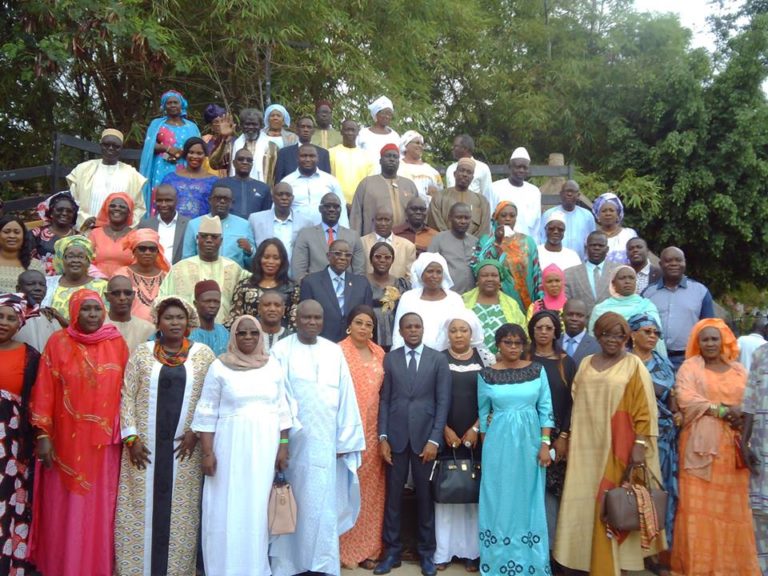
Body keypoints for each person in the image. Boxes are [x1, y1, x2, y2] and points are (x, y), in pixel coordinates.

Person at [114, 296, 217, 576]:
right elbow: (127, 395)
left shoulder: (203, 355)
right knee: (139, 511)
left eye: (179, 318)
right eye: (169, 317)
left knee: (180, 517)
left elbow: (209, 399)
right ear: (158, 321)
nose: (174, 322)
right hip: (143, 450)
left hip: (184, 450)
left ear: (188, 323)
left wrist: (195, 433)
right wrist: (131, 439)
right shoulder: (143, 353)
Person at [554, 312, 663, 575]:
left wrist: (639, 444)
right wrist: (566, 438)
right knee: (586, 501)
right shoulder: (587, 363)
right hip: (585, 447)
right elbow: (575, 401)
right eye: (606, 334)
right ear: (597, 336)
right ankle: (586, 560)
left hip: (619, 447)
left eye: (619, 335)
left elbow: (645, 408)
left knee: (615, 503)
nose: (612, 340)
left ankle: (616, 563)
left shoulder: (633, 364)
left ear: (627, 337)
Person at [30, 289, 129, 576]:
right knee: (65, 509)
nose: (92, 315)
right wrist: (42, 435)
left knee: (98, 509)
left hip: (104, 447)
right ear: (74, 311)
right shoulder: (58, 343)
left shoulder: (116, 343)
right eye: (86, 309)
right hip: (64, 444)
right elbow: (44, 390)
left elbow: (127, 393)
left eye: (97, 309)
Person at [270, 300, 366, 576]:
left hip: (327, 445)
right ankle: (289, 565)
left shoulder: (333, 352)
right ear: (296, 319)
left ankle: (322, 563)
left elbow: (346, 396)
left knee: (323, 506)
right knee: (293, 504)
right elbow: (279, 400)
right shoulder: (281, 351)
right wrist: (283, 443)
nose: (312, 323)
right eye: (306, 318)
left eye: (317, 318)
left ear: (323, 321)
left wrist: (345, 441)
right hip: (295, 447)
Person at [192, 313, 293, 576]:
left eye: (253, 333)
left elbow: (283, 410)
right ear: (233, 336)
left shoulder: (272, 366)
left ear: (261, 336)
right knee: (225, 508)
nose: (248, 337)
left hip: (264, 449)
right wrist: (207, 453)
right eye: (241, 333)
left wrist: (283, 447)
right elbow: (206, 413)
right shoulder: (219, 367)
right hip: (228, 449)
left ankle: (255, 569)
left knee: (257, 510)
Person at [671, 318, 760, 575]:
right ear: (697, 343)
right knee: (696, 509)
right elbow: (686, 398)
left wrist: (741, 413)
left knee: (734, 510)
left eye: (714, 338)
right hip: (698, 449)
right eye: (704, 339)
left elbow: (751, 398)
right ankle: (697, 567)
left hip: (734, 448)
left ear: (725, 341)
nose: (710, 343)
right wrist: (721, 410)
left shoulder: (738, 371)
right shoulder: (690, 367)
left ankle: (732, 567)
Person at [375, 312, 452, 576]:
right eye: (408, 326)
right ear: (401, 330)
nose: (413, 330)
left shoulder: (437, 359)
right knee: (393, 498)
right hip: (395, 437)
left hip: (425, 439)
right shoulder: (391, 358)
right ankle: (392, 551)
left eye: (417, 326)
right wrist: (382, 437)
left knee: (424, 497)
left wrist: (434, 438)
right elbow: (384, 400)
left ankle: (426, 553)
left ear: (423, 329)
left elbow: (443, 402)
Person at [477, 323, 554, 575]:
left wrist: (545, 444)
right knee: (498, 497)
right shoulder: (486, 374)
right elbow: (483, 412)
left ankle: (531, 562)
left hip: (530, 443)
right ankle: (498, 561)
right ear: (498, 344)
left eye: (518, 343)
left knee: (528, 498)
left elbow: (546, 408)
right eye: (507, 342)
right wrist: (486, 446)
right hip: (498, 444)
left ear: (524, 345)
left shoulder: (536, 370)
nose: (513, 347)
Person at [434, 309, 494, 572]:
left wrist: (476, 428)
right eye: (454, 330)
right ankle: (443, 552)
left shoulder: (486, 359)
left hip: (476, 435)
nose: (458, 335)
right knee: (446, 490)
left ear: (473, 333)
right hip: (444, 434)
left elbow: (493, 398)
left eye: (464, 330)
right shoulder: (438, 359)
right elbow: (431, 397)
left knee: (472, 492)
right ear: (447, 334)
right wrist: (444, 429)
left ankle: (472, 552)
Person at [628, 313, 679, 561]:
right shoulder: (623, 360)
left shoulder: (662, 364)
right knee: (631, 489)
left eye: (656, 333)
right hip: (628, 432)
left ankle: (656, 552)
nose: (652, 336)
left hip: (661, 436)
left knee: (658, 489)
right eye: (647, 331)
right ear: (632, 334)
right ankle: (630, 550)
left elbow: (665, 392)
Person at [339, 305, 387, 570]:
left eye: (369, 324)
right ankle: (342, 549)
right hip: (346, 432)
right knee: (344, 489)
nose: (364, 328)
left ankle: (369, 549)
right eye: (359, 323)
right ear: (349, 325)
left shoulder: (379, 352)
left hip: (373, 432)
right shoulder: (337, 352)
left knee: (370, 492)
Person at [527, 310, 576, 566]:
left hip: (556, 436)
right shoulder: (523, 359)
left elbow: (571, 402)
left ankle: (550, 554)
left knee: (550, 495)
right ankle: (527, 551)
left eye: (548, 328)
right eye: (539, 327)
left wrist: (564, 435)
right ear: (532, 331)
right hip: (524, 434)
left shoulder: (566, 362)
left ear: (556, 331)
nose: (543, 332)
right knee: (525, 493)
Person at [0, 293, 39, 576]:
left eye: (11, 318)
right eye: (0, 316)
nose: (3, 322)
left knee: (11, 505)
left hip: (14, 448)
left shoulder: (30, 356)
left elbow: (36, 403)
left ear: (20, 323)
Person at [160, 215, 251, 323]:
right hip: (186, 334)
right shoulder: (179, 269)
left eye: (214, 237)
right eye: (204, 236)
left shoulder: (234, 269)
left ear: (221, 241)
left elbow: (256, 284)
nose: (209, 240)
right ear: (197, 239)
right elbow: (163, 301)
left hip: (224, 333)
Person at [642, 246, 715, 370]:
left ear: (684, 263)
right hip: (654, 358)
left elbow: (709, 327)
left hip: (689, 359)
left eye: (678, 260)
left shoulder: (700, 291)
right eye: (668, 260)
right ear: (660, 264)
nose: (674, 264)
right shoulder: (648, 294)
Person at [68, 128, 147, 226]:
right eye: (106, 144)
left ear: (121, 148)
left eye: (116, 146)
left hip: (119, 234)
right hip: (86, 230)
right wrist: (84, 219)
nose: (110, 148)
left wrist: (124, 226)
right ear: (101, 146)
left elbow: (139, 208)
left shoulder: (132, 175)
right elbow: (71, 200)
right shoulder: (83, 170)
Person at [299, 239, 374, 342]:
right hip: (321, 342)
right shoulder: (310, 282)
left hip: (354, 344)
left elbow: (367, 317)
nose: (343, 258)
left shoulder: (362, 283)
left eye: (347, 255)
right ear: (328, 256)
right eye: (338, 254)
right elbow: (305, 317)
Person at [473, 201, 542, 311]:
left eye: (512, 216)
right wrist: (497, 242)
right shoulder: (485, 241)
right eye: (503, 215)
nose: (508, 219)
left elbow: (537, 273)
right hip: (495, 301)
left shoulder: (528, 242)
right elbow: (478, 266)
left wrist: (540, 301)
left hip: (525, 301)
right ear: (496, 218)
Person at [139, 90, 201, 206]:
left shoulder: (192, 127)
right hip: (162, 167)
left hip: (185, 166)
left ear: (181, 105)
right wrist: (167, 150)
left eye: (175, 102)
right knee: (161, 197)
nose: (172, 105)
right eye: (169, 103)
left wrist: (182, 153)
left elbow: (199, 147)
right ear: (164, 106)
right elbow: (149, 146)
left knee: (183, 198)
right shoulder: (157, 124)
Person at [392, 252, 465, 351]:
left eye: (438, 272)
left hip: (448, 356)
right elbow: (398, 332)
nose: (434, 276)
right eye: (430, 271)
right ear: (421, 273)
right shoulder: (408, 298)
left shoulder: (455, 299)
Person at [589, 265, 667, 356]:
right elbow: (593, 341)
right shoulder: (600, 309)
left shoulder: (647, 306)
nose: (627, 281)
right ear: (613, 283)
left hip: (642, 360)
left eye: (631, 278)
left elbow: (657, 339)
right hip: (609, 360)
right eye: (622, 278)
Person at [227, 238, 299, 329]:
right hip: (250, 339)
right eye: (266, 257)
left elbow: (294, 323)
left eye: (276, 258)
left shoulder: (292, 288)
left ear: (282, 261)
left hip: (283, 340)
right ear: (259, 258)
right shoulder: (244, 286)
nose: (270, 262)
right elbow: (234, 320)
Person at [350, 143, 420, 237]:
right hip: (374, 240)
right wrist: (355, 242)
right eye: (388, 156)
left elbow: (419, 213)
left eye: (395, 157)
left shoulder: (409, 185)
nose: (392, 159)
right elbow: (356, 216)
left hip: (405, 239)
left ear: (399, 162)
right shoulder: (367, 184)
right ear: (380, 161)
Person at [291, 192, 365, 280]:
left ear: (341, 210)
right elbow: (298, 271)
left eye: (336, 206)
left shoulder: (353, 236)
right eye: (327, 206)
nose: (332, 209)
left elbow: (359, 272)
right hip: (315, 290)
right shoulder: (306, 234)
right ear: (320, 209)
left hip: (347, 291)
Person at [741, 342, 768, 572]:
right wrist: (744, 441)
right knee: (760, 518)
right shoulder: (761, 354)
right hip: (761, 450)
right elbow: (749, 402)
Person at [182, 183, 255, 268]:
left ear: (232, 203)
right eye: (218, 198)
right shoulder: (194, 224)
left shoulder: (244, 225)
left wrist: (250, 251)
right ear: (210, 200)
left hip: (233, 277)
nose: (222, 201)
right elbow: (187, 259)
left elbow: (253, 264)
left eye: (226, 199)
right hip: (202, 277)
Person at [462, 259, 526, 354]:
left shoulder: (512, 304)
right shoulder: (464, 300)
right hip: (471, 360)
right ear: (477, 279)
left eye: (494, 275)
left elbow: (523, 334)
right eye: (484, 275)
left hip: (504, 362)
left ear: (500, 280)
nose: (489, 279)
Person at [280, 143, 349, 227]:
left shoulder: (331, 181)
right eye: (303, 156)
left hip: (324, 232)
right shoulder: (287, 182)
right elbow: (277, 210)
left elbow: (341, 208)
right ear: (297, 158)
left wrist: (344, 232)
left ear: (317, 158)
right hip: (295, 231)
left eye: (312, 156)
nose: (308, 159)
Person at [41, 236, 108, 321]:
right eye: (70, 256)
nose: (75, 260)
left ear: (88, 261)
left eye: (81, 257)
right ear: (62, 260)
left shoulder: (102, 286)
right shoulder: (48, 284)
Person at [247, 183, 313, 267]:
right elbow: (251, 249)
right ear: (273, 197)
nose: (284, 198)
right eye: (280, 194)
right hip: (265, 273)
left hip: (294, 275)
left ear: (292, 198)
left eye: (288, 195)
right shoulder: (255, 219)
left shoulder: (306, 222)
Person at [112, 228, 169, 322]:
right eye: (142, 249)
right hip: (130, 330)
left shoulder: (166, 276)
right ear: (134, 251)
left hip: (162, 332)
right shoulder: (121, 275)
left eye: (152, 249)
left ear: (157, 252)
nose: (147, 252)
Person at [428, 157, 490, 237]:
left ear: (472, 178)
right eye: (462, 170)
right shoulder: (439, 197)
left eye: (469, 172)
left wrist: (471, 243)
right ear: (455, 174)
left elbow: (484, 229)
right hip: (444, 245)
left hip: (473, 247)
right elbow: (435, 223)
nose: (465, 174)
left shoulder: (482, 201)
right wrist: (451, 240)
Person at [160, 137, 220, 219]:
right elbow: (161, 204)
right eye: (191, 152)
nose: (195, 156)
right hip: (175, 227)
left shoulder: (214, 181)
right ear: (185, 154)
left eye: (199, 153)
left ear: (205, 155)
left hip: (201, 227)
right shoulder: (170, 179)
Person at [564, 230, 619, 318]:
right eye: (593, 245)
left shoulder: (618, 271)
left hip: (610, 326)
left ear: (607, 249)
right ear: (586, 248)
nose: (597, 248)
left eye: (601, 245)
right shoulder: (569, 274)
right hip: (581, 328)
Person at [367, 241, 412, 350]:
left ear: (392, 260)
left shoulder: (402, 284)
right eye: (378, 256)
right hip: (368, 334)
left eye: (387, 257)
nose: (382, 260)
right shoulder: (361, 282)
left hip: (395, 335)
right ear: (370, 259)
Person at [489, 147, 541, 239]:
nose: (521, 170)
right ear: (510, 167)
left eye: (525, 167)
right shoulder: (495, 188)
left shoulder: (534, 192)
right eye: (518, 167)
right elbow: (489, 219)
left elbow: (536, 225)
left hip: (525, 246)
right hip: (499, 244)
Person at [428, 203, 478, 294]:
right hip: (446, 295)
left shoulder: (475, 241)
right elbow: (428, 266)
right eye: (459, 217)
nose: (463, 221)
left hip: (472, 295)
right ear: (450, 218)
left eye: (467, 218)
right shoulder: (439, 239)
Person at [540, 180, 595, 261]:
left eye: (573, 192)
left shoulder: (587, 216)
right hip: (553, 261)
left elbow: (591, 241)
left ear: (578, 195)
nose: (569, 194)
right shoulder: (549, 214)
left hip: (580, 263)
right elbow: (542, 239)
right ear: (561, 194)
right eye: (567, 191)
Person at [137, 183, 191, 265]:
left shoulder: (188, 224)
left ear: (176, 201)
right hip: (153, 274)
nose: (163, 204)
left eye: (168, 200)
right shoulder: (145, 225)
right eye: (159, 201)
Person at [14, 270, 65, 351]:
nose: (38, 288)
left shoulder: (51, 316)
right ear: (18, 289)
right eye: (31, 284)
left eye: (42, 285)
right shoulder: (9, 315)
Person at [31, 191, 81, 275]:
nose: (64, 213)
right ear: (51, 212)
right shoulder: (37, 234)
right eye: (59, 210)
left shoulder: (79, 237)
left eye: (69, 211)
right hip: (41, 280)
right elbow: (26, 259)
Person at [214, 147, 272, 218]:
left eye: (249, 160)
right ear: (234, 163)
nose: (245, 162)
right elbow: (213, 212)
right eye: (241, 159)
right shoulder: (221, 184)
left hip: (254, 228)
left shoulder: (263, 188)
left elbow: (267, 216)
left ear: (252, 164)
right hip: (227, 227)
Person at [87, 191, 135, 277]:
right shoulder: (95, 234)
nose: (117, 208)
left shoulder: (135, 236)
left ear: (129, 212)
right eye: (112, 206)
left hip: (125, 285)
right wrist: (100, 278)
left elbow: (138, 265)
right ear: (106, 210)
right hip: (97, 282)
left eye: (122, 207)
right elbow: (86, 260)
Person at [360, 209, 417, 280]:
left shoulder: (408, 246)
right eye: (379, 219)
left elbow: (410, 276)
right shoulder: (361, 242)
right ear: (373, 221)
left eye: (387, 220)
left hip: (398, 289)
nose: (383, 223)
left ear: (393, 222)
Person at [104, 275, 155, 352]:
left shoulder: (148, 329)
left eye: (127, 293)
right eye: (116, 293)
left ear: (133, 295)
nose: (122, 298)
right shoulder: (98, 327)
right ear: (107, 296)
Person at [273, 115, 331, 182]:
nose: (306, 130)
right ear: (297, 130)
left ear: (313, 131)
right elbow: (279, 182)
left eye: (309, 127)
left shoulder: (323, 154)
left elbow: (327, 180)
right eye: (302, 127)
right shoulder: (284, 154)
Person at [253, 103, 299, 186]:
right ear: (268, 118)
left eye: (278, 115)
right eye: (272, 115)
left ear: (283, 119)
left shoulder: (292, 138)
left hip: (283, 173)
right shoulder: (258, 135)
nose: (275, 118)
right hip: (262, 172)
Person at [210, 108, 264, 178]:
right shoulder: (232, 144)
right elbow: (214, 164)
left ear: (260, 126)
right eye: (247, 124)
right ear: (241, 126)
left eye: (254, 124)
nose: (251, 127)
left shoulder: (270, 146)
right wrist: (224, 138)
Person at [330, 119, 372, 207]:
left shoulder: (367, 156)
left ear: (357, 132)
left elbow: (369, 184)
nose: (350, 133)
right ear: (341, 132)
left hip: (359, 204)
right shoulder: (331, 153)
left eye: (353, 130)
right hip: (335, 205)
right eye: (347, 130)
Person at [0, 216, 46, 292]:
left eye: (17, 232)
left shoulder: (35, 265)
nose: (12, 236)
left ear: (24, 236)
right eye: (6, 232)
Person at [444, 134, 494, 205]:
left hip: (474, 212)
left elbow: (487, 196)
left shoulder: (482, 168)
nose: (452, 148)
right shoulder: (450, 169)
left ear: (465, 148)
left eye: (455, 146)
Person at [397, 130, 443, 203]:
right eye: (417, 143)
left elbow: (440, 194)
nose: (420, 146)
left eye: (422, 144)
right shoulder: (397, 167)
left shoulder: (431, 171)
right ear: (406, 145)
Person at [592, 192, 637, 264]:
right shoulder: (592, 237)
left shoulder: (629, 234)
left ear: (618, 215)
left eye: (611, 210)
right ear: (598, 216)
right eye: (604, 211)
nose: (608, 214)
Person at [189, 280, 231, 356]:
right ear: (195, 304)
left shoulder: (224, 332)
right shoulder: (188, 334)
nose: (212, 305)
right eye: (207, 301)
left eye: (216, 302)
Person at [357, 96, 400, 166]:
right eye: (384, 113)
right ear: (376, 114)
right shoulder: (363, 134)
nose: (387, 116)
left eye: (389, 114)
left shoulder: (395, 136)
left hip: (389, 175)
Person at [558, 298, 601, 367]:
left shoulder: (597, 346)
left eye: (579, 315)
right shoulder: (553, 342)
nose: (574, 319)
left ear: (587, 319)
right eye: (570, 314)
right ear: (562, 316)